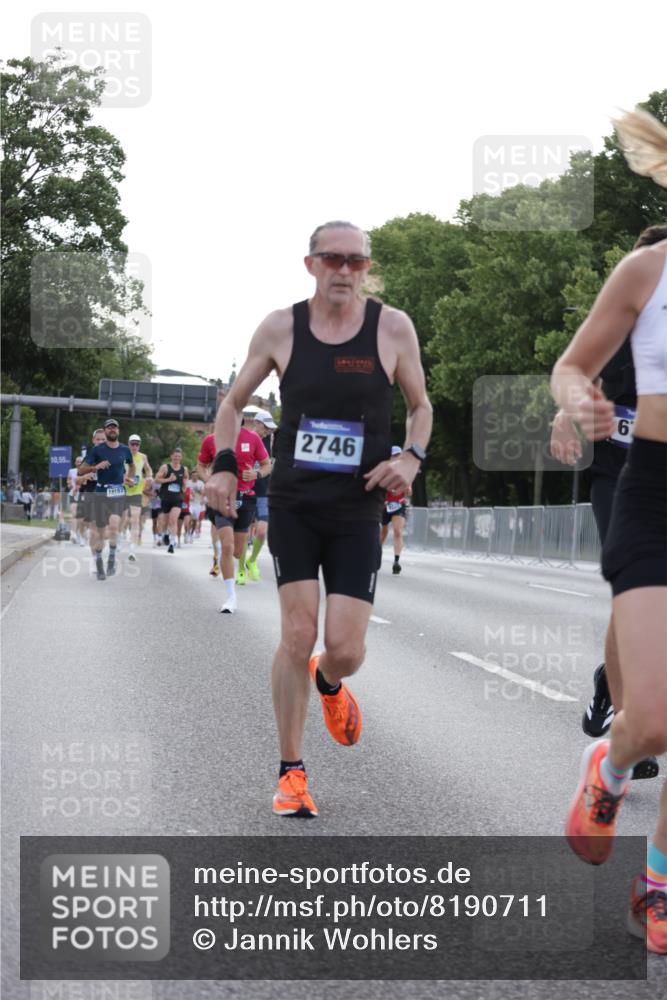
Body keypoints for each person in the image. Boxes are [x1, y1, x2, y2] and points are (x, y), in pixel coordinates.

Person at [205, 220, 432, 818]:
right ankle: (291, 772)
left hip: (359, 507)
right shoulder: (282, 327)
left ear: (367, 267)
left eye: (356, 261)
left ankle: (329, 681)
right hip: (298, 505)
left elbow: (420, 406)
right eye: (333, 259)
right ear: (311, 264)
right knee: (297, 634)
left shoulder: (392, 328)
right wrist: (226, 463)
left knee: (345, 648)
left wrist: (410, 458)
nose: (345, 270)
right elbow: (231, 405)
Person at [551, 109, 667, 953]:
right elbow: (571, 363)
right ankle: (612, 766)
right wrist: (574, 400)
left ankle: (657, 885)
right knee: (653, 717)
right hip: (654, 491)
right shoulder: (645, 270)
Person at [551, 224, 667, 783]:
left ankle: (622, 692)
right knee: (629, 604)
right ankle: (627, 722)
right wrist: (567, 415)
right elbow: (577, 371)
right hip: (622, 477)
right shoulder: (629, 314)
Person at [198, 424, 271, 612]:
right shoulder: (211, 440)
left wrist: (256, 474)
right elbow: (201, 466)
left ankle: (229, 559)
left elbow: (266, 464)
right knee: (228, 546)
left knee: (238, 552)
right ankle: (231, 597)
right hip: (223, 498)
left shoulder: (253, 438)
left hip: (246, 498)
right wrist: (209, 480)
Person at [78, 419, 134, 580]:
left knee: (115, 527)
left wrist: (129, 478)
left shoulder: (125, 449)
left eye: (114, 427)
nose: (112, 430)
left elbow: (131, 466)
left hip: (117, 492)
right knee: (99, 532)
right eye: (109, 428)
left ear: (118, 431)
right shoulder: (98, 450)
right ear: (105, 430)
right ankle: (98, 563)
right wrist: (96, 467)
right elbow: (81, 470)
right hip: (101, 493)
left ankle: (111, 558)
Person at [246, 408, 277, 580]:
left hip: (264, 493)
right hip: (245, 491)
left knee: (262, 531)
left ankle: (252, 560)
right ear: (256, 423)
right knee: (242, 532)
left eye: (269, 428)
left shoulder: (272, 441)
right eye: (265, 427)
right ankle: (242, 568)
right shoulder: (245, 440)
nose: (267, 430)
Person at [380, 445, 411, 575]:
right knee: (383, 532)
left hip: (399, 504)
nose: (396, 458)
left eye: (398, 455)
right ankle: (376, 555)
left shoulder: (405, 472)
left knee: (398, 531)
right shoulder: (383, 471)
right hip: (384, 505)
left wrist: (407, 490)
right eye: (394, 455)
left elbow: (409, 491)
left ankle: (396, 562)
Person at [124, 434, 153, 562]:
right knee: (122, 519)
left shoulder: (143, 457)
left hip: (136, 491)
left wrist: (149, 477)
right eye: (132, 444)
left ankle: (132, 549)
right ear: (128, 444)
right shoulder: (122, 455)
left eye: (137, 444)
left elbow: (148, 469)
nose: (135, 446)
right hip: (122, 490)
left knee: (135, 520)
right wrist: (125, 479)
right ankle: (120, 538)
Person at [154, 448, 189, 554]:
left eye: (179, 456)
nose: (177, 458)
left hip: (177, 499)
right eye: (175, 456)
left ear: (181, 457)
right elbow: (156, 479)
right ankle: (165, 534)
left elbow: (185, 479)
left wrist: (183, 488)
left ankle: (172, 544)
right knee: (164, 521)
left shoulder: (184, 469)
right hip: (165, 498)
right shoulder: (165, 467)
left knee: (173, 520)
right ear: (171, 456)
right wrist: (168, 480)